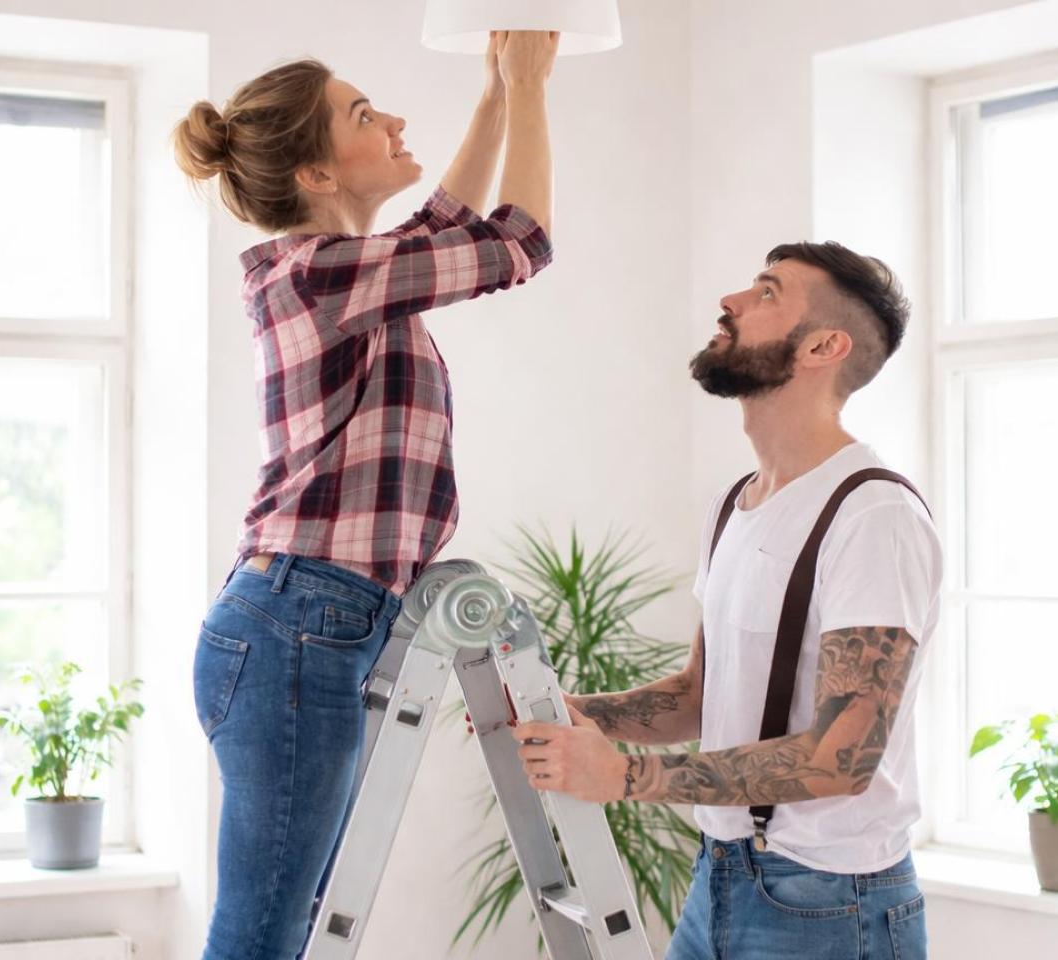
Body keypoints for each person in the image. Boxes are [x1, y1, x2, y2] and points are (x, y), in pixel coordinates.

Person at [172, 31, 560, 960]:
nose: (390, 120)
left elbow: (440, 228)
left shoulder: (344, 275)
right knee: (265, 933)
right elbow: (519, 243)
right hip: (298, 623)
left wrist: (499, 96)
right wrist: (533, 87)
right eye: (362, 114)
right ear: (314, 172)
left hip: (303, 620)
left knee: (288, 925)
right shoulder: (321, 274)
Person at [512, 242, 942, 960]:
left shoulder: (874, 516)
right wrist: (573, 714)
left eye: (767, 293)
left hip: (830, 905)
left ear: (825, 346)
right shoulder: (735, 505)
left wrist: (626, 776)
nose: (731, 302)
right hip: (718, 879)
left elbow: (844, 756)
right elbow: (698, 695)